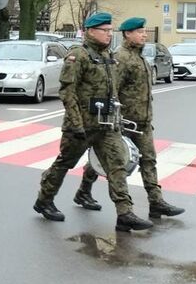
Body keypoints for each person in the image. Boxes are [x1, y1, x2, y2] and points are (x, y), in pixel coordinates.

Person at [34, 13, 153, 231]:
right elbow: (67, 92)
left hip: (105, 125)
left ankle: (124, 213)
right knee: (64, 163)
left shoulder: (108, 55)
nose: (109, 34)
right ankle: (44, 200)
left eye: (110, 31)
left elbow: (113, 90)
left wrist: (116, 119)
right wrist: (76, 124)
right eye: (105, 30)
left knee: (117, 164)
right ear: (90, 31)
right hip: (81, 125)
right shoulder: (78, 56)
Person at [73, 17, 185, 220]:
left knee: (148, 160)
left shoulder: (140, 57)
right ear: (127, 34)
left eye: (144, 31)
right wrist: (115, 118)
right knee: (109, 160)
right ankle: (84, 191)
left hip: (142, 120)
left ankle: (156, 202)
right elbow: (112, 89)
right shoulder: (121, 58)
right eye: (140, 31)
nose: (144, 35)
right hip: (124, 121)